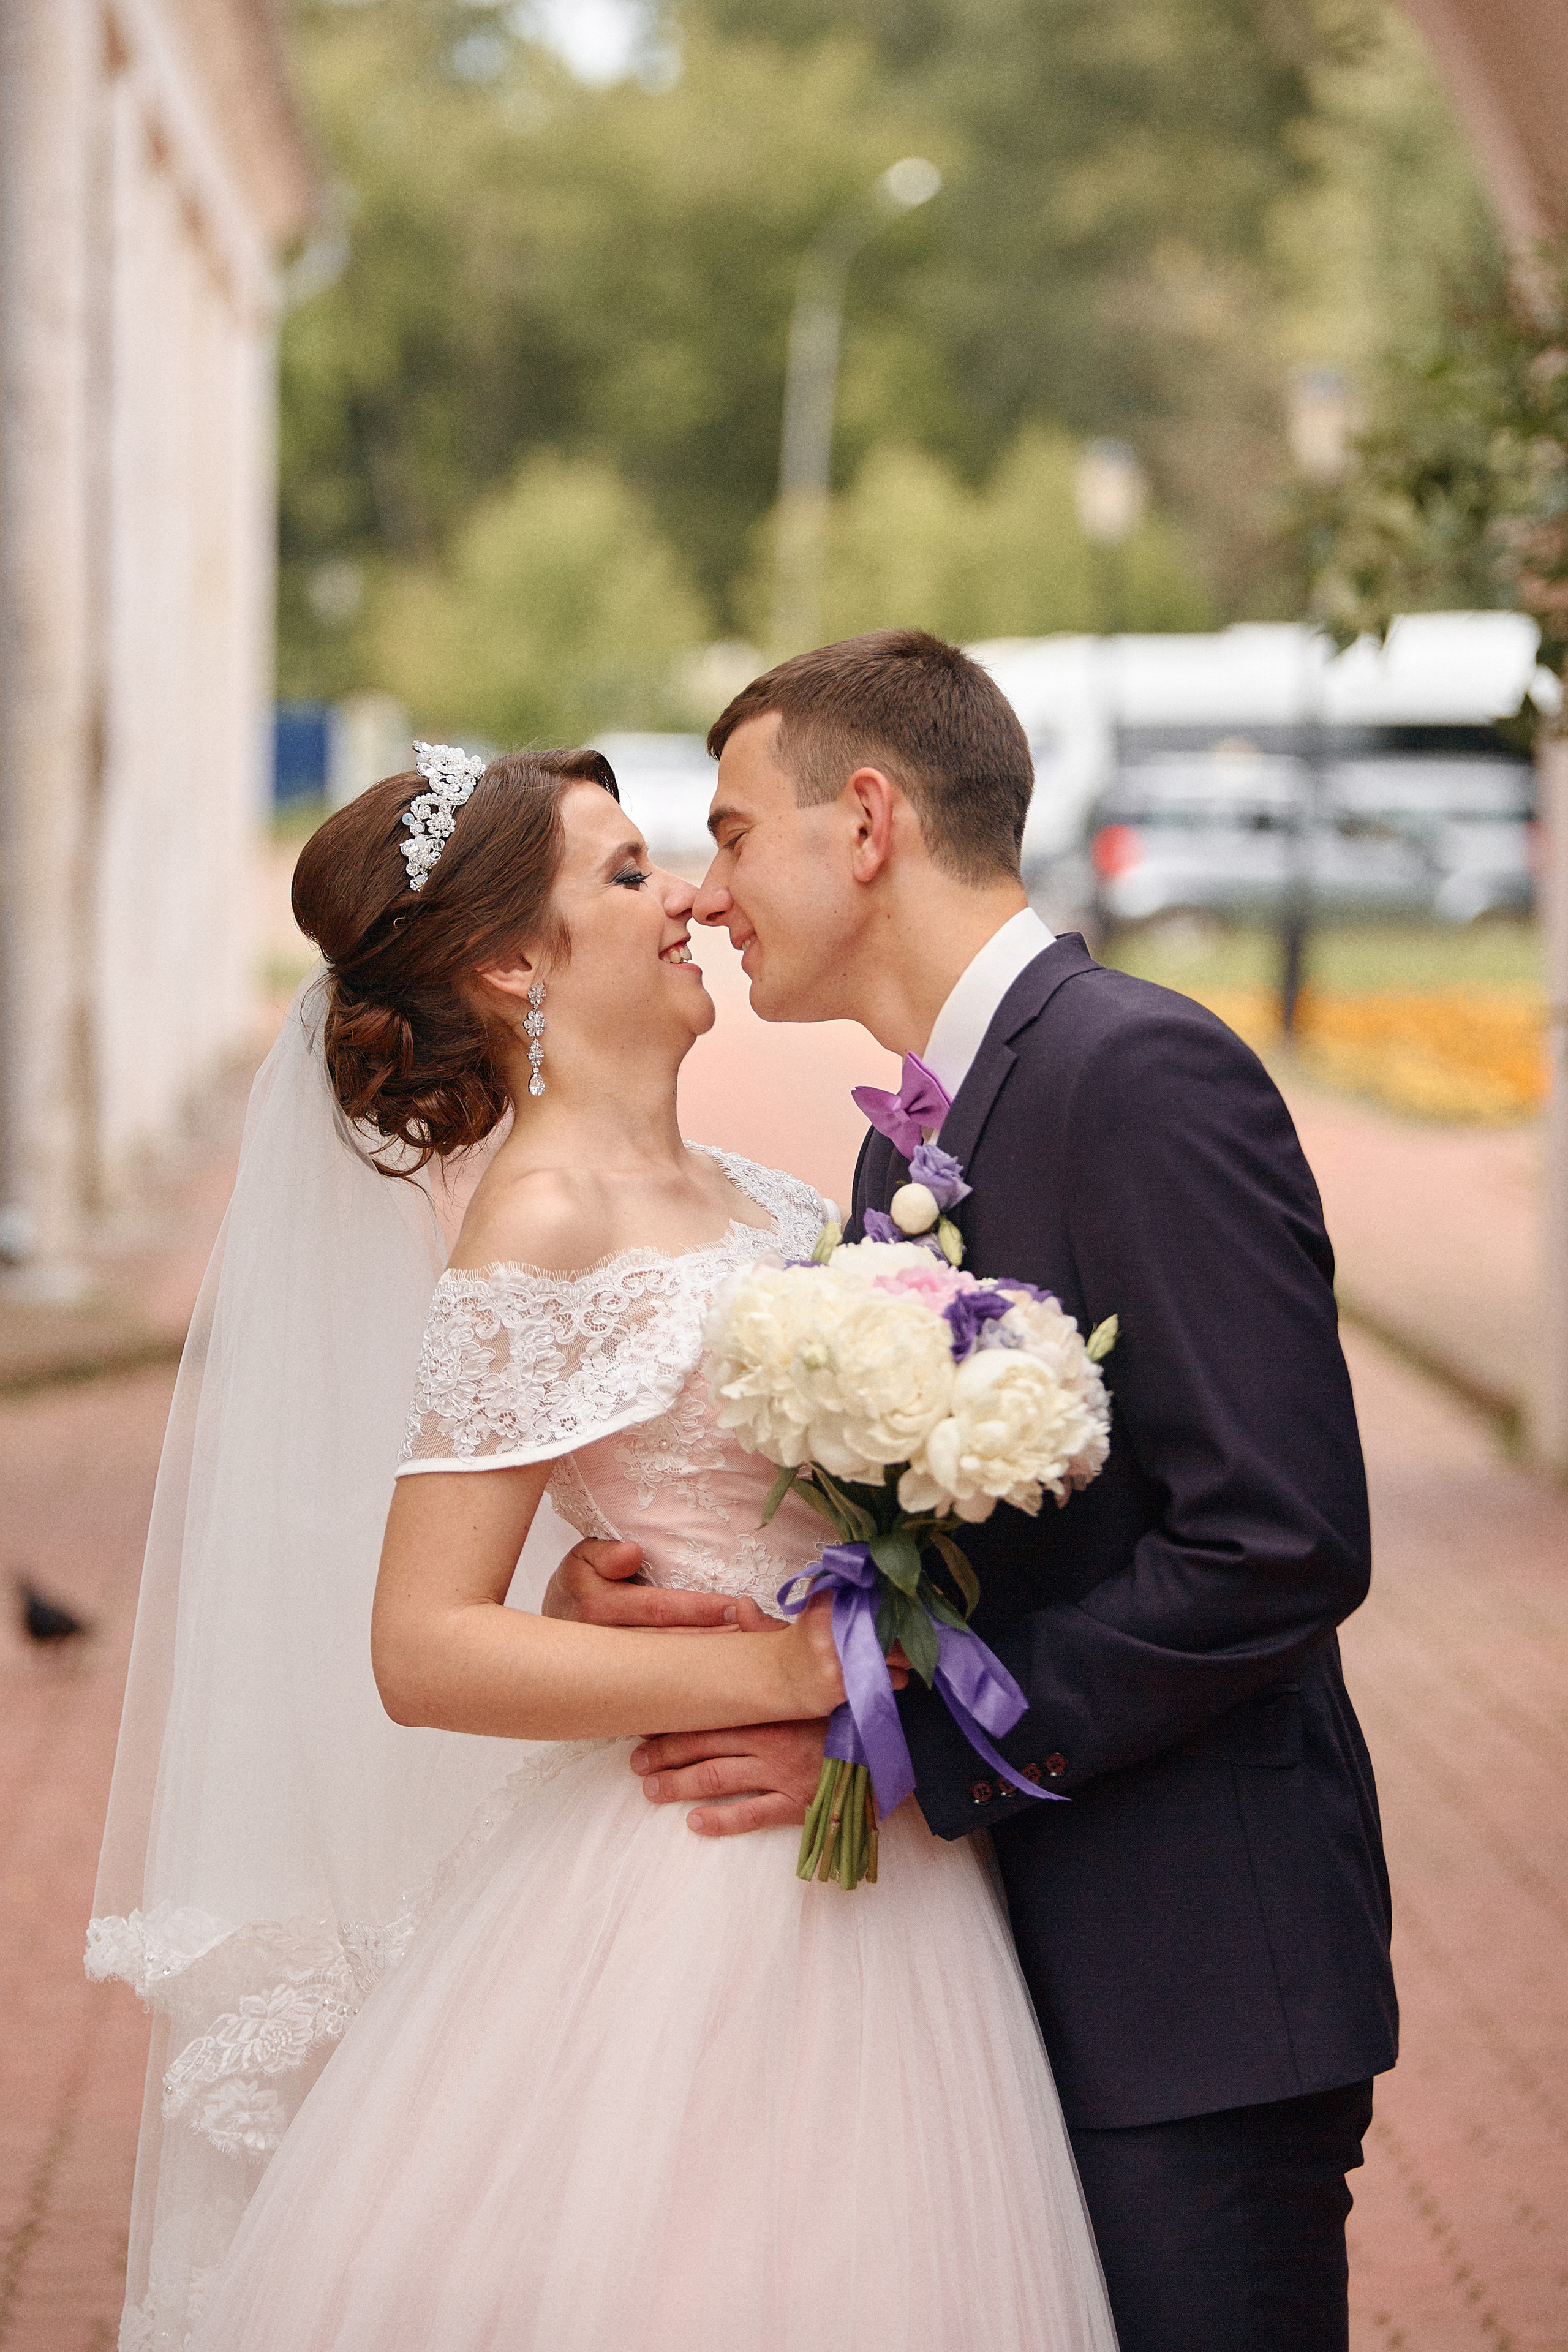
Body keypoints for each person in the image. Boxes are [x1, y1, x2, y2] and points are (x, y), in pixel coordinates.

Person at [91, 742, 1117, 2351]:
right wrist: (788, 1666)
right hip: (695, 1875)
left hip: (883, 1845)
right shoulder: (544, 1217)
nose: (694, 899)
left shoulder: (776, 1198)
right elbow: (422, 1644)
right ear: (516, 960)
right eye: (631, 873)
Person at [551, 630, 1399, 2352]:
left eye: (732, 831)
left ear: (865, 824)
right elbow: (915, 1522)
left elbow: (1279, 1538)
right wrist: (662, 1594)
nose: (709, 897)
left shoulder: (1139, 1074)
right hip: (1012, 1975)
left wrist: (912, 1741)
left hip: (1193, 1981)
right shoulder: (907, 1143)